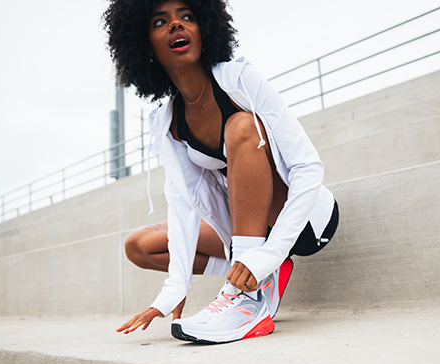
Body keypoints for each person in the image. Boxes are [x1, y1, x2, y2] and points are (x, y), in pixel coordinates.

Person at [105, 0, 338, 343]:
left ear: (205, 30)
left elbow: (307, 166)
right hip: (248, 224)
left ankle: (247, 295)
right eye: (160, 21)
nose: (176, 25)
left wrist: (267, 255)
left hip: (302, 219)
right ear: (146, 47)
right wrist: (175, 287)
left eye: (187, 16)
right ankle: (250, 273)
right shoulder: (169, 124)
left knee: (241, 126)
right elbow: (183, 205)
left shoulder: (239, 80)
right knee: (139, 245)